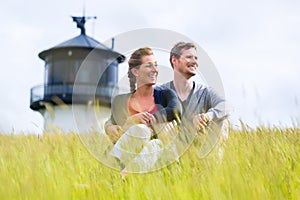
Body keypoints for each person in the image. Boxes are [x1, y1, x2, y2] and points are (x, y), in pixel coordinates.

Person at [104, 47, 181, 173]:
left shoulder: (166, 95)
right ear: (135, 71)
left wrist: (149, 119)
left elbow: (176, 110)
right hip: (127, 157)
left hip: (160, 158)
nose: (155, 70)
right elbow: (113, 127)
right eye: (149, 66)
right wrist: (130, 122)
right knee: (141, 131)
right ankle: (117, 172)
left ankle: (123, 176)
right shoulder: (120, 101)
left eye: (155, 65)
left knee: (156, 142)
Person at [163, 42, 231, 159]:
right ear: (174, 60)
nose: (194, 62)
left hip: (200, 148)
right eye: (189, 57)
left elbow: (225, 106)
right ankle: (172, 169)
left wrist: (207, 117)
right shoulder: (162, 92)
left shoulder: (205, 92)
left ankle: (210, 169)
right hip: (172, 148)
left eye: (196, 58)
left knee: (222, 120)